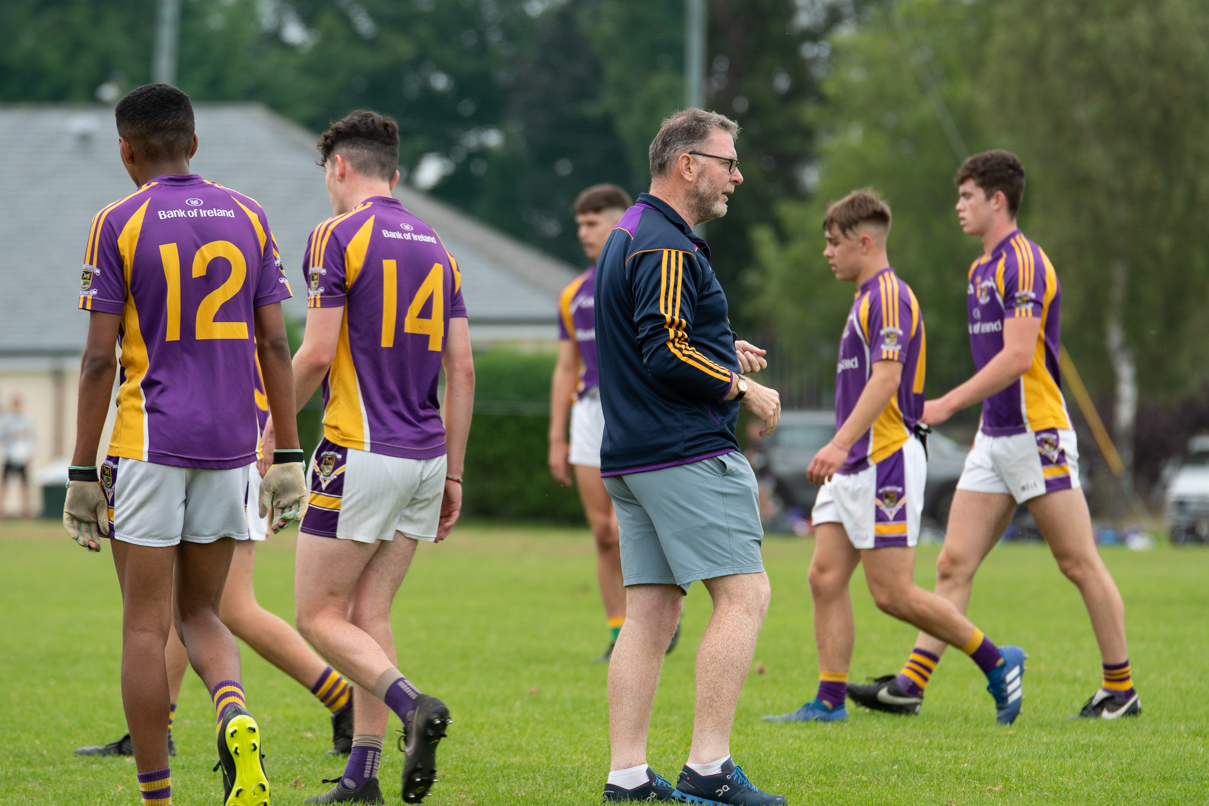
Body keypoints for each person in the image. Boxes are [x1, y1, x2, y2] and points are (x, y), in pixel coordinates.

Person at [62, 83, 308, 806]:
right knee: (201, 613)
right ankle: (234, 714)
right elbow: (274, 342)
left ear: (125, 150)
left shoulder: (116, 222)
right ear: (194, 144)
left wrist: (81, 470)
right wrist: (288, 455)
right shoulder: (250, 215)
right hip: (231, 448)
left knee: (145, 625)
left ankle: (157, 797)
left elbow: (99, 360)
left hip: (149, 444)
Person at [847, 150, 1140, 720]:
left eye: (966, 197)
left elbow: (1016, 358)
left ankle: (1120, 689)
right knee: (952, 564)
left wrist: (944, 403)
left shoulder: (1024, 263)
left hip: (1037, 433)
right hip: (993, 437)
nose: (959, 206)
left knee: (1078, 561)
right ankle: (910, 685)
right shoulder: (979, 268)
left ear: (996, 200)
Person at [261, 110, 474, 805]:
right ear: (398, 172)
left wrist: (271, 432)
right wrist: (455, 473)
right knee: (367, 612)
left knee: (317, 615)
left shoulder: (335, 235)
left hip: (359, 451)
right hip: (424, 456)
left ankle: (413, 706)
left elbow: (317, 354)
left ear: (339, 168)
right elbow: (462, 371)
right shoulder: (438, 245)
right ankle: (363, 776)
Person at [762, 190, 1025, 727]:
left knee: (893, 594)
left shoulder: (890, 296)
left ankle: (998, 662)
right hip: (853, 463)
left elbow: (886, 380)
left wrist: (838, 443)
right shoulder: (864, 298)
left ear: (865, 242)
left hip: (885, 460)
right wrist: (842, 450)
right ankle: (830, 701)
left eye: (834, 243)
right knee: (825, 577)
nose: (826, 253)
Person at [594, 108, 784, 805]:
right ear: (686, 164)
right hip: (682, 451)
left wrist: (718, 346)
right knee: (744, 595)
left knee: (649, 613)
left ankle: (628, 776)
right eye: (726, 161)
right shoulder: (667, 243)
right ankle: (708, 768)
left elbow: (654, 332)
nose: (735, 175)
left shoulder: (627, 235)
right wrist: (741, 388)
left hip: (631, 457)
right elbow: (662, 349)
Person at [76, 366, 354, 760]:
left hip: (225, 454)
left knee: (228, 608)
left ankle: (343, 699)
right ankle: (157, 727)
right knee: (183, 606)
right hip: (226, 451)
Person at [550, 182, 687, 662]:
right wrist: (555, 437)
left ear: (619, 222)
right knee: (604, 531)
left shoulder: (638, 271)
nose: (584, 234)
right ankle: (617, 631)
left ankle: (661, 615)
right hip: (588, 412)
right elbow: (566, 367)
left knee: (640, 523)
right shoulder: (572, 294)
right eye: (580, 225)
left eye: (593, 223)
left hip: (630, 407)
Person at [1, 394, 35, 518]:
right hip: (10, 455)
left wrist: (30, 452)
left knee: (24, 484)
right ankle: (1, 509)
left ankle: (26, 510)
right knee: (4, 483)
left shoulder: (26, 420)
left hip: (22, 456)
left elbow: (31, 438)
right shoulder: (6, 420)